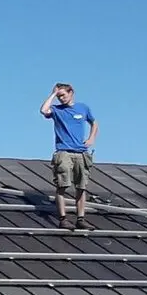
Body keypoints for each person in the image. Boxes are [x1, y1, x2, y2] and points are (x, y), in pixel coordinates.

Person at [41, 82, 99, 230]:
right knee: (62, 185)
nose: (61, 98)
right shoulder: (56, 110)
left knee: (81, 186)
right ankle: (63, 219)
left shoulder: (83, 108)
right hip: (64, 152)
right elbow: (44, 110)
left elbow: (94, 123)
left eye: (63, 95)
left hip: (81, 152)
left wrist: (91, 138)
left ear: (71, 92)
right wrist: (53, 94)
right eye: (59, 96)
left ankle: (81, 219)